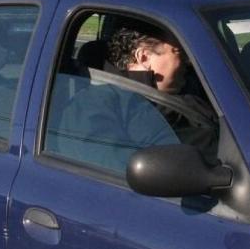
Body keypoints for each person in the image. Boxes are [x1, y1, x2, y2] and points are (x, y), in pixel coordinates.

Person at [56, 21, 217, 174]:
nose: (188, 62)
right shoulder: (95, 104)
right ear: (144, 57)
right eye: (179, 53)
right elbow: (119, 174)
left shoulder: (195, 87)